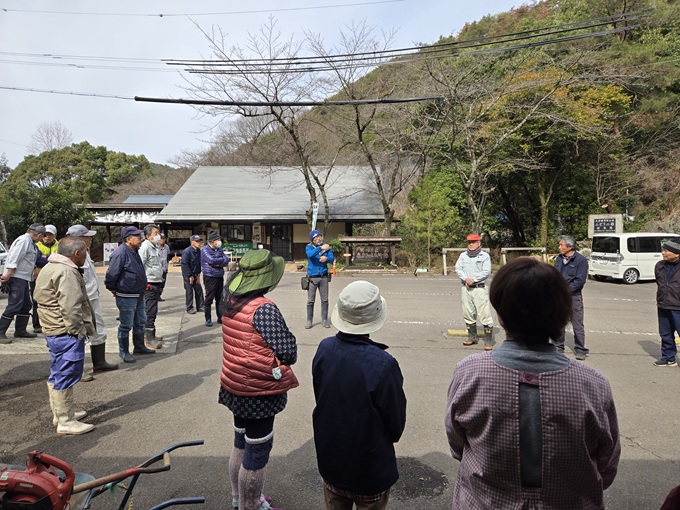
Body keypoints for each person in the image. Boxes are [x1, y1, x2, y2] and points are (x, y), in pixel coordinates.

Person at [446, 257, 620, 509]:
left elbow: (457, 445)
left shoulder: (469, 372)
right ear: (562, 315)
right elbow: (607, 465)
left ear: (501, 313)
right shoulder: (593, 384)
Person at [312, 280, 406, 510]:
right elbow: (395, 423)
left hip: (332, 460)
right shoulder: (383, 364)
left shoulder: (325, 348)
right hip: (369, 467)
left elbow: (321, 396)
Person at [220, 249, 298, 510]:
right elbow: (288, 352)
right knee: (257, 450)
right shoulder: (263, 309)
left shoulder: (231, 299)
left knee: (241, 442)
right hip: (257, 389)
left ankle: (238, 498)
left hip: (234, 383)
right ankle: (251, 504)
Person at [34, 236, 96, 435]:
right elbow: (70, 307)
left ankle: (61, 413)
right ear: (77, 253)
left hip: (53, 329)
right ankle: (65, 421)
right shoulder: (66, 271)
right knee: (67, 372)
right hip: (65, 330)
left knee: (58, 371)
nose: (86, 254)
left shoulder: (50, 266)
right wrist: (78, 331)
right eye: (85, 251)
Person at [66, 224, 118, 374]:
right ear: (78, 239)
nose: (90, 239)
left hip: (92, 298)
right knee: (79, 333)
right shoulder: (71, 256)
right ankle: (76, 370)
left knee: (98, 329)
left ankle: (99, 362)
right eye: (87, 236)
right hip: (80, 301)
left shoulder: (85, 253)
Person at [104, 226, 155, 363]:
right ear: (128, 239)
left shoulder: (134, 251)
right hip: (127, 295)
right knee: (126, 325)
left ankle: (139, 346)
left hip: (138, 293)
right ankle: (124, 352)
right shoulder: (120, 253)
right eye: (138, 237)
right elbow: (111, 275)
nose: (141, 239)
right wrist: (113, 289)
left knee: (140, 321)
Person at [0, 223, 47, 343]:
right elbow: (14, 257)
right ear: (39, 234)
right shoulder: (24, 241)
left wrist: (34, 268)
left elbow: (28, 259)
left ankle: (20, 330)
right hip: (16, 277)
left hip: (24, 277)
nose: (42, 239)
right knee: (15, 304)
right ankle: (0, 332)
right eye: (42, 236)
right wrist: (8, 274)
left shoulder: (30, 242)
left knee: (26, 304)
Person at [454, 233, 494, 350]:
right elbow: (458, 269)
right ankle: (472, 337)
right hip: (466, 287)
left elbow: (486, 271)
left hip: (479, 288)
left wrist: (473, 280)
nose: (471, 244)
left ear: (478, 243)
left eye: (473, 242)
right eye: (469, 242)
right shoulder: (463, 256)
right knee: (468, 313)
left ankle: (488, 340)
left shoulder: (484, 256)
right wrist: (466, 279)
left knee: (484, 314)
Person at [553, 234, 589, 360]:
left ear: (570, 247)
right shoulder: (559, 259)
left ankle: (580, 349)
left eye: (561, 245)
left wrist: (565, 291)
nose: (559, 247)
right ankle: (558, 345)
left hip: (574, 296)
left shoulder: (581, 260)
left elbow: (580, 281)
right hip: (559, 296)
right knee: (558, 321)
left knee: (577, 324)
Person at [653, 238, 680, 367]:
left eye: (666, 251)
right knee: (665, 333)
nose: (663, 253)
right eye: (663, 250)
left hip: (678, 306)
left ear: (677, 253)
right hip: (663, 304)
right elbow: (659, 283)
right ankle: (668, 357)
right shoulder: (659, 266)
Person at [139, 224, 164, 349]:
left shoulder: (153, 247)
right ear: (148, 236)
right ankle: (149, 338)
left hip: (155, 281)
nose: (158, 236)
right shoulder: (145, 247)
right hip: (149, 283)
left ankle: (149, 334)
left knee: (152, 309)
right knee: (150, 310)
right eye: (156, 233)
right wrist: (144, 282)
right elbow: (140, 265)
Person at [31, 224, 59, 333]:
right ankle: (37, 325)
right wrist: (53, 257)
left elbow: (63, 258)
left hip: (55, 277)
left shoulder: (59, 245)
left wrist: (45, 257)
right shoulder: (36, 245)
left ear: (55, 235)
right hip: (39, 278)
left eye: (50, 234)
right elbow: (38, 261)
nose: (47, 237)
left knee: (55, 301)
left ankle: (53, 323)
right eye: (45, 234)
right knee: (37, 301)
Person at [305, 229, 335, 329]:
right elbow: (310, 255)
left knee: (324, 300)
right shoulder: (309, 247)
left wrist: (327, 259)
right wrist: (320, 248)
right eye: (315, 237)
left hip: (324, 277)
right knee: (310, 300)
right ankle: (309, 320)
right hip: (312, 278)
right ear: (312, 239)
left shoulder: (327, 247)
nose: (318, 239)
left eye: (319, 236)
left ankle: (324, 319)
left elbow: (332, 258)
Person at [201, 229, 229, 327]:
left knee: (220, 298)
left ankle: (220, 317)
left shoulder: (219, 249)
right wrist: (220, 262)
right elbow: (211, 260)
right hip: (210, 276)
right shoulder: (205, 250)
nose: (219, 242)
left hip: (219, 275)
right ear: (212, 241)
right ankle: (208, 318)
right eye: (218, 240)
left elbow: (227, 260)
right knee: (209, 298)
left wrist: (218, 263)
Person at [181, 235, 205, 314]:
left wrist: (198, 274)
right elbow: (185, 264)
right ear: (192, 242)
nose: (198, 243)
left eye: (199, 241)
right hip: (188, 274)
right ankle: (189, 308)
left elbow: (199, 263)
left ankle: (200, 306)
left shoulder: (198, 251)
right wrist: (189, 275)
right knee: (189, 291)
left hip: (196, 273)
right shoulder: (187, 251)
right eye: (197, 241)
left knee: (199, 289)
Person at [157, 233, 169, 301]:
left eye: (164, 239)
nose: (162, 240)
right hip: (157, 269)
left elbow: (167, 256)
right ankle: (155, 296)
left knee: (162, 283)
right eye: (161, 239)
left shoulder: (166, 247)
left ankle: (159, 295)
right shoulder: (155, 247)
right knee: (156, 283)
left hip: (164, 268)